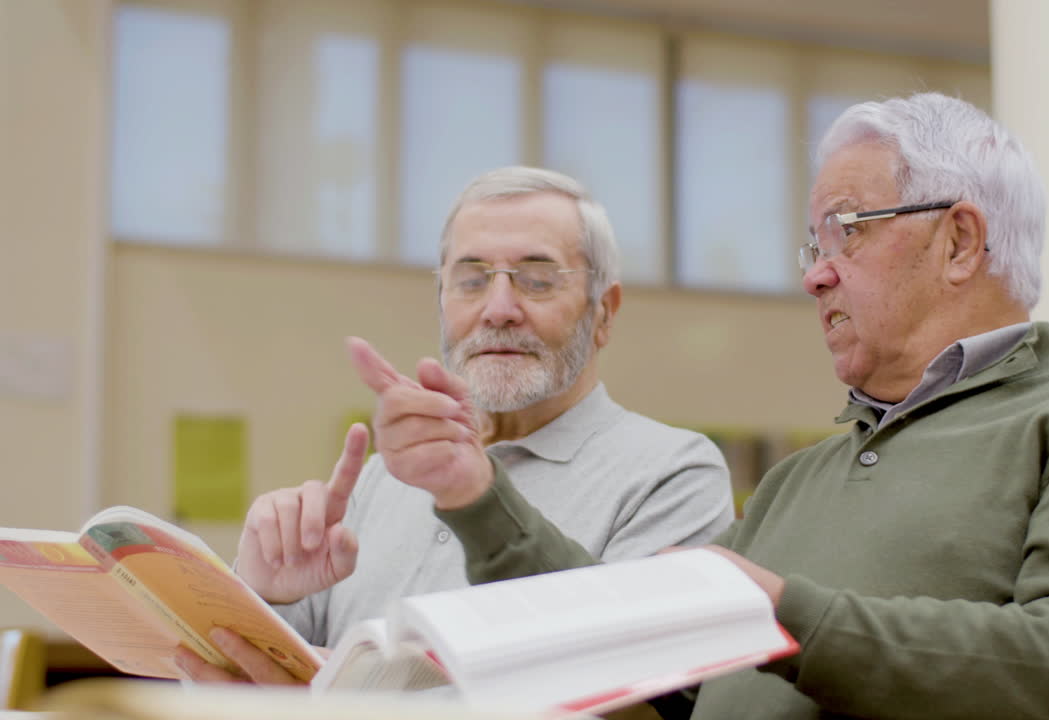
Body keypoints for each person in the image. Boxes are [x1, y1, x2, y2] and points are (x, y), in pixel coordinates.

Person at [202, 94, 1049, 720]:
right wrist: (475, 497)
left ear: (959, 241)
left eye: (844, 232)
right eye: (809, 244)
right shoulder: (801, 480)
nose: (814, 276)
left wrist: (780, 610)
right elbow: (649, 673)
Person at [175, 167, 733, 680]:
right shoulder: (383, 481)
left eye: (537, 280)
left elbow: (625, 690)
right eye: (470, 280)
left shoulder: (674, 475)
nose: (498, 308)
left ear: (603, 311)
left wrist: (343, 704)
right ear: (442, 300)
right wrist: (261, 597)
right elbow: (242, 691)